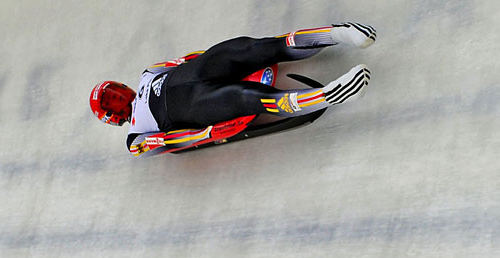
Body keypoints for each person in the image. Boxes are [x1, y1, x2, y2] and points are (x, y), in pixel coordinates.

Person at [89, 22, 376, 157]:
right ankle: (331, 94)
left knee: (253, 47)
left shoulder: (147, 74)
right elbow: (165, 142)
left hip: (201, 69)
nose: (118, 99)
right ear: (112, 116)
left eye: (114, 92)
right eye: (112, 101)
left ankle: (336, 33)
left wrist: (207, 56)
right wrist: (206, 134)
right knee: (250, 98)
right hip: (196, 104)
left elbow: (184, 60)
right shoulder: (134, 138)